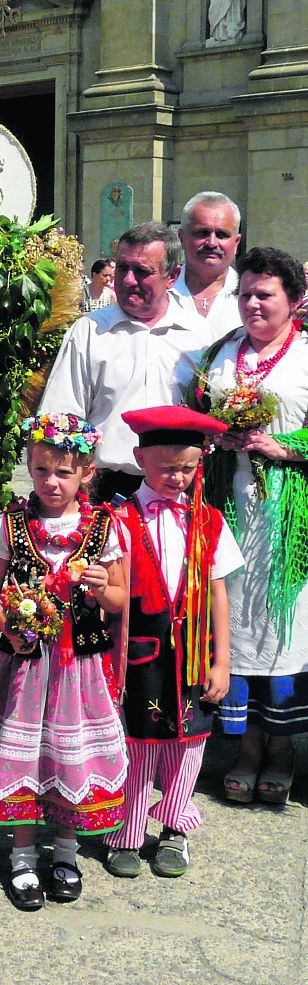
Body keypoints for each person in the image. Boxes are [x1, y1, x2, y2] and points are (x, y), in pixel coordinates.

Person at [0, 414, 128, 909]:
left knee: (68, 756)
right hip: (24, 665)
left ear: (86, 473)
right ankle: (21, 859)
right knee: (24, 758)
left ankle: (65, 852)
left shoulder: (105, 526)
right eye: (41, 470)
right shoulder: (9, 524)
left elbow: (123, 599)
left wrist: (105, 589)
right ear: (29, 466)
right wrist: (8, 629)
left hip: (77, 666)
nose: (51, 482)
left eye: (63, 472)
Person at [104, 406, 242, 877]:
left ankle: (176, 828)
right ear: (140, 458)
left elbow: (220, 594)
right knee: (138, 741)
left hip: (194, 656)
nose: (177, 478)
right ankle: (127, 827)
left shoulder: (209, 521)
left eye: (187, 468)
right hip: (140, 654)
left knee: (189, 742)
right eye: (166, 468)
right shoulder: (117, 518)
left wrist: (222, 662)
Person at [193, 247, 308, 805]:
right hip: (227, 508)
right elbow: (191, 424)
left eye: (266, 294)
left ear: (295, 301)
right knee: (234, 621)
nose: (254, 303)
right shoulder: (218, 355)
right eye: (246, 294)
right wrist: (217, 440)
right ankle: (243, 747)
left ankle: (280, 748)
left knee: (280, 626)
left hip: (288, 518)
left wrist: (280, 446)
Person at [39, 222, 204, 502]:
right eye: (123, 269)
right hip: (105, 487)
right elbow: (62, 417)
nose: (128, 281)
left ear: (173, 276)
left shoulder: (198, 335)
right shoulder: (89, 331)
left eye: (142, 272)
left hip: (180, 489)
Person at [171, 191, 241, 340]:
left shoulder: (251, 297)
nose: (212, 243)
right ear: (182, 238)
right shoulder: (161, 292)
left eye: (222, 235)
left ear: (236, 243)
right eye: (202, 233)